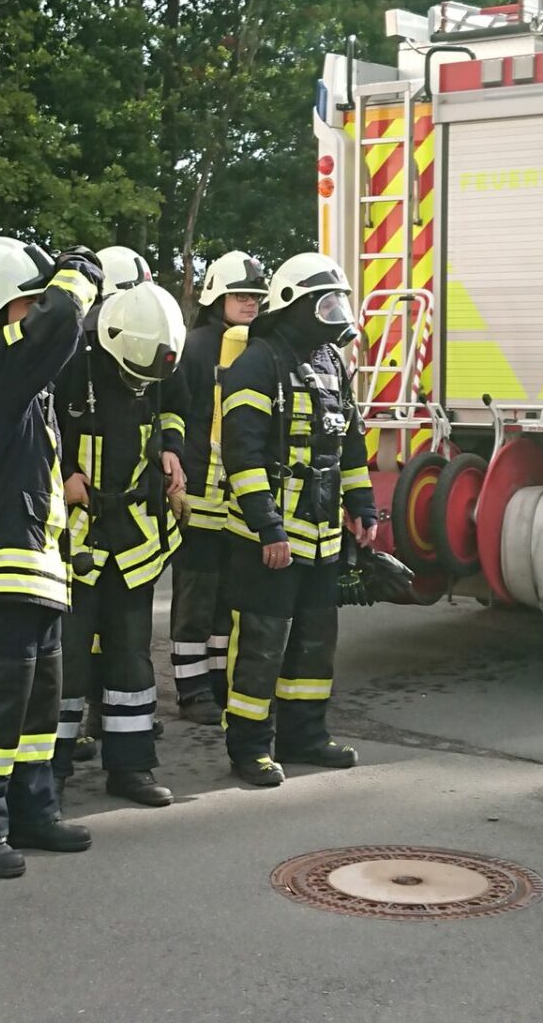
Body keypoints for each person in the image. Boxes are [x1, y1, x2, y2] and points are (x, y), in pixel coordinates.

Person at [0, 236, 101, 878]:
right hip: (1, 562)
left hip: (37, 564)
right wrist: (80, 274)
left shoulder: (8, 369)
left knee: (37, 705)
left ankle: (33, 810)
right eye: (26, 302)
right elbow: (59, 323)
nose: (37, 312)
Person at [215, 252, 376, 787]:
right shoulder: (257, 362)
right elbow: (243, 450)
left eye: (339, 302)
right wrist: (268, 526)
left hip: (323, 534)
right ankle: (249, 748)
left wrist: (363, 507)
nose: (335, 314)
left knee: (315, 640)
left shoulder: (331, 361)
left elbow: (348, 441)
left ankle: (305, 735)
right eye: (326, 303)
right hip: (271, 539)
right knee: (260, 645)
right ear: (293, 305)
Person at [52, 280, 188, 806]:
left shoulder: (157, 356)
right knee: (68, 660)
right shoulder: (69, 361)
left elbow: (175, 405)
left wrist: (172, 447)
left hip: (135, 531)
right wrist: (62, 470)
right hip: (78, 534)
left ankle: (132, 769)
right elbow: (34, 422)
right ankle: (52, 773)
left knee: (131, 658)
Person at [167, 252, 266, 724]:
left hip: (241, 497)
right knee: (196, 593)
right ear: (217, 297)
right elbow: (175, 413)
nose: (250, 303)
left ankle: (218, 682)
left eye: (256, 297)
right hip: (199, 495)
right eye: (240, 295)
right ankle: (192, 690)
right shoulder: (195, 347)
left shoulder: (259, 347)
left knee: (230, 595)